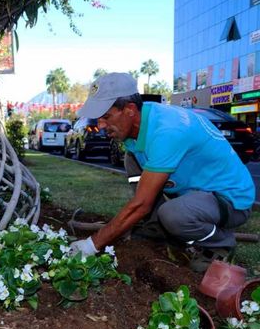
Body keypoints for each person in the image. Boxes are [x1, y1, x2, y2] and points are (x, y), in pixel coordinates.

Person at [69, 72, 255, 271]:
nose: (101, 126)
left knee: (173, 215)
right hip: (197, 193)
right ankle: (155, 226)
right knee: (132, 159)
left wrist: (92, 244)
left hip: (230, 200)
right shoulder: (141, 123)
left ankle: (219, 244)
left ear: (130, 109)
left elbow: (141, 204)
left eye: (106, 117)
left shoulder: (168, 131)